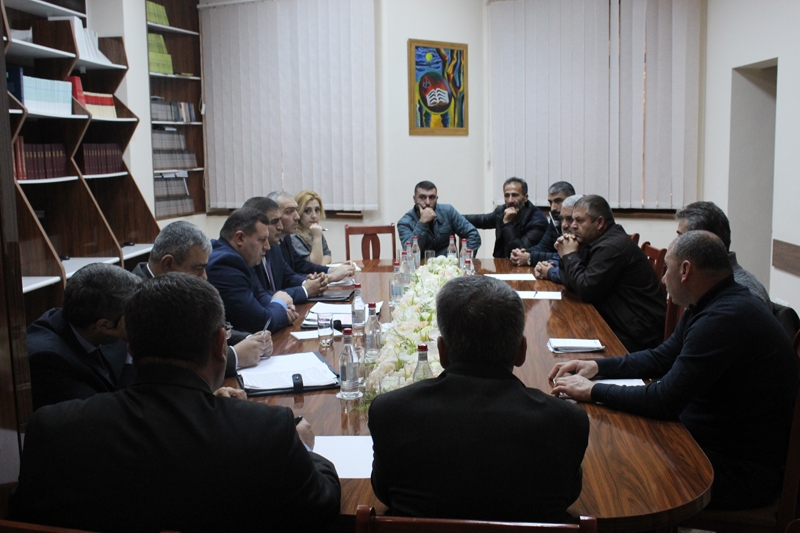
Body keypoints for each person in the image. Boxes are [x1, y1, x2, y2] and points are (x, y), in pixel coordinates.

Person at [11, 274, 341, 532]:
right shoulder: (268, 431)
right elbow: (322, 508)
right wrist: (303, 449)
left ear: (130, 346)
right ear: (220, 344)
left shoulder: (52, 428)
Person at [551, 230, 798, 511]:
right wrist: (596, 366)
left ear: (685, 270)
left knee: (617, 474)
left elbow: (664, 401)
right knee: (616, 445)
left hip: (741, 470)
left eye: (667, 268)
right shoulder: (709, 301)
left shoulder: (725, 317)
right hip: (710, 440)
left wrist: (593, 391)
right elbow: (663, 357)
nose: (662, 279)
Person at [369, 276, 589, 522]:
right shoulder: (567, 423)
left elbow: (384, 493)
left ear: (442, 352)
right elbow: (568, 495)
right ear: (521, 351)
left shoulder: (390, 413)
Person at [132, 221, 272, 375]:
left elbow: (204, 332)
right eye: (198, 268)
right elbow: (173, 363)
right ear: (168, 264)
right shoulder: (138, 299)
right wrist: (235, 356)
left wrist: (251, 339)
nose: (204, 277)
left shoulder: (177, 287)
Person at [555, 194, 665, 352]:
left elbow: (585, 290)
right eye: (573, 220)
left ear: (599, 223)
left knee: (564, 339)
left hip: (637, 335)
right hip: (621, 323)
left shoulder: (611, 246)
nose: (572, 226)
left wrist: (569, 255)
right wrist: (566, 254)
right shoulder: (596, 242)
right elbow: (572, 282)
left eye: (579, 220)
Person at [26, 263, 139, 411]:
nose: (139, 318)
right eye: (133, 315)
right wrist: (136, 340)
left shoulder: (93, 318)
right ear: (103, 326)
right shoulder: (46, 361)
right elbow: (105, 413)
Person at [206, 207, 299, 333]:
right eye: (262, 240)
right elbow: (262, 323)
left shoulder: (239, 258)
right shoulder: (225, 264)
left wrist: (282, 308)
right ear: (240, 238)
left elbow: (259, 295)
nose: (267, 247)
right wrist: (279, 303)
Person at [676, 201, 770, 306]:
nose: (676, 245)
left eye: (681, 237)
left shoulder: (743, 294)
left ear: (705, 241)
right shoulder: (703, 281)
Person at [243, 196, 327, 304]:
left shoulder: (274, 246)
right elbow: (260, 296)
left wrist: (308, 282)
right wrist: (305, 290)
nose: (280, 227)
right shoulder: (245, 254)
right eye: (274, 221)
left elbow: (289, 276)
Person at [261, 191, 355, 282]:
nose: (297, 217)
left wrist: (332, 270)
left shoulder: (285, 238)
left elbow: (300, 265)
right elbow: (290, 278)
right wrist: (329, 277)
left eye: (317, 210)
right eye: (289, 212)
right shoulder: (289, 238)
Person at [465, 177, 548, 258]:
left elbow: (520, 253)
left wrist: (507, 224)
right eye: (507, 195)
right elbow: (482, 220)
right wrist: (457, 218)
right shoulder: (502, 211)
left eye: (515, 195)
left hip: (525, 265)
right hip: (500, 263)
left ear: (525, 198)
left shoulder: (538, 221)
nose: (510, 200)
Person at [397, 180, 481, 256]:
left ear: (437, 199)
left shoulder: (448, 211)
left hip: (448, 266)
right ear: (414, 199)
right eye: (422, 197)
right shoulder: (404, 223)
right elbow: (410, 253)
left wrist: (465, 259)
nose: (427, 202)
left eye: (432, 197)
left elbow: (473, 234)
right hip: (421, 266)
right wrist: (422, 223)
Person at [510, 181, 575, 266]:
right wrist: (520, 253)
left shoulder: (579, 224)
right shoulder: (555, 221)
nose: (553, 208)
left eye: (558, 201)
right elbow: (543, 247)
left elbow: (569, 256)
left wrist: (530, 257)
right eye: (550, 202)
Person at [533, 194, 583, 283]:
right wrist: (546, 265)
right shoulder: (570, 239)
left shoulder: (591, 242)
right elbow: (558, 258)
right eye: (562, 219)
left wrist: (549, 271)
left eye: (570, 219)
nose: (564, 225)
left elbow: (578, 278)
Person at [293, 189, 332, 265]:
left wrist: (320, 267)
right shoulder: (294, 236)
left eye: (317, 210)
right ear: (299, 212)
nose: (314, 216)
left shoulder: (315, 230)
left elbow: (327, 254)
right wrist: (317, 237)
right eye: (307, 211)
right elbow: (312, 265)